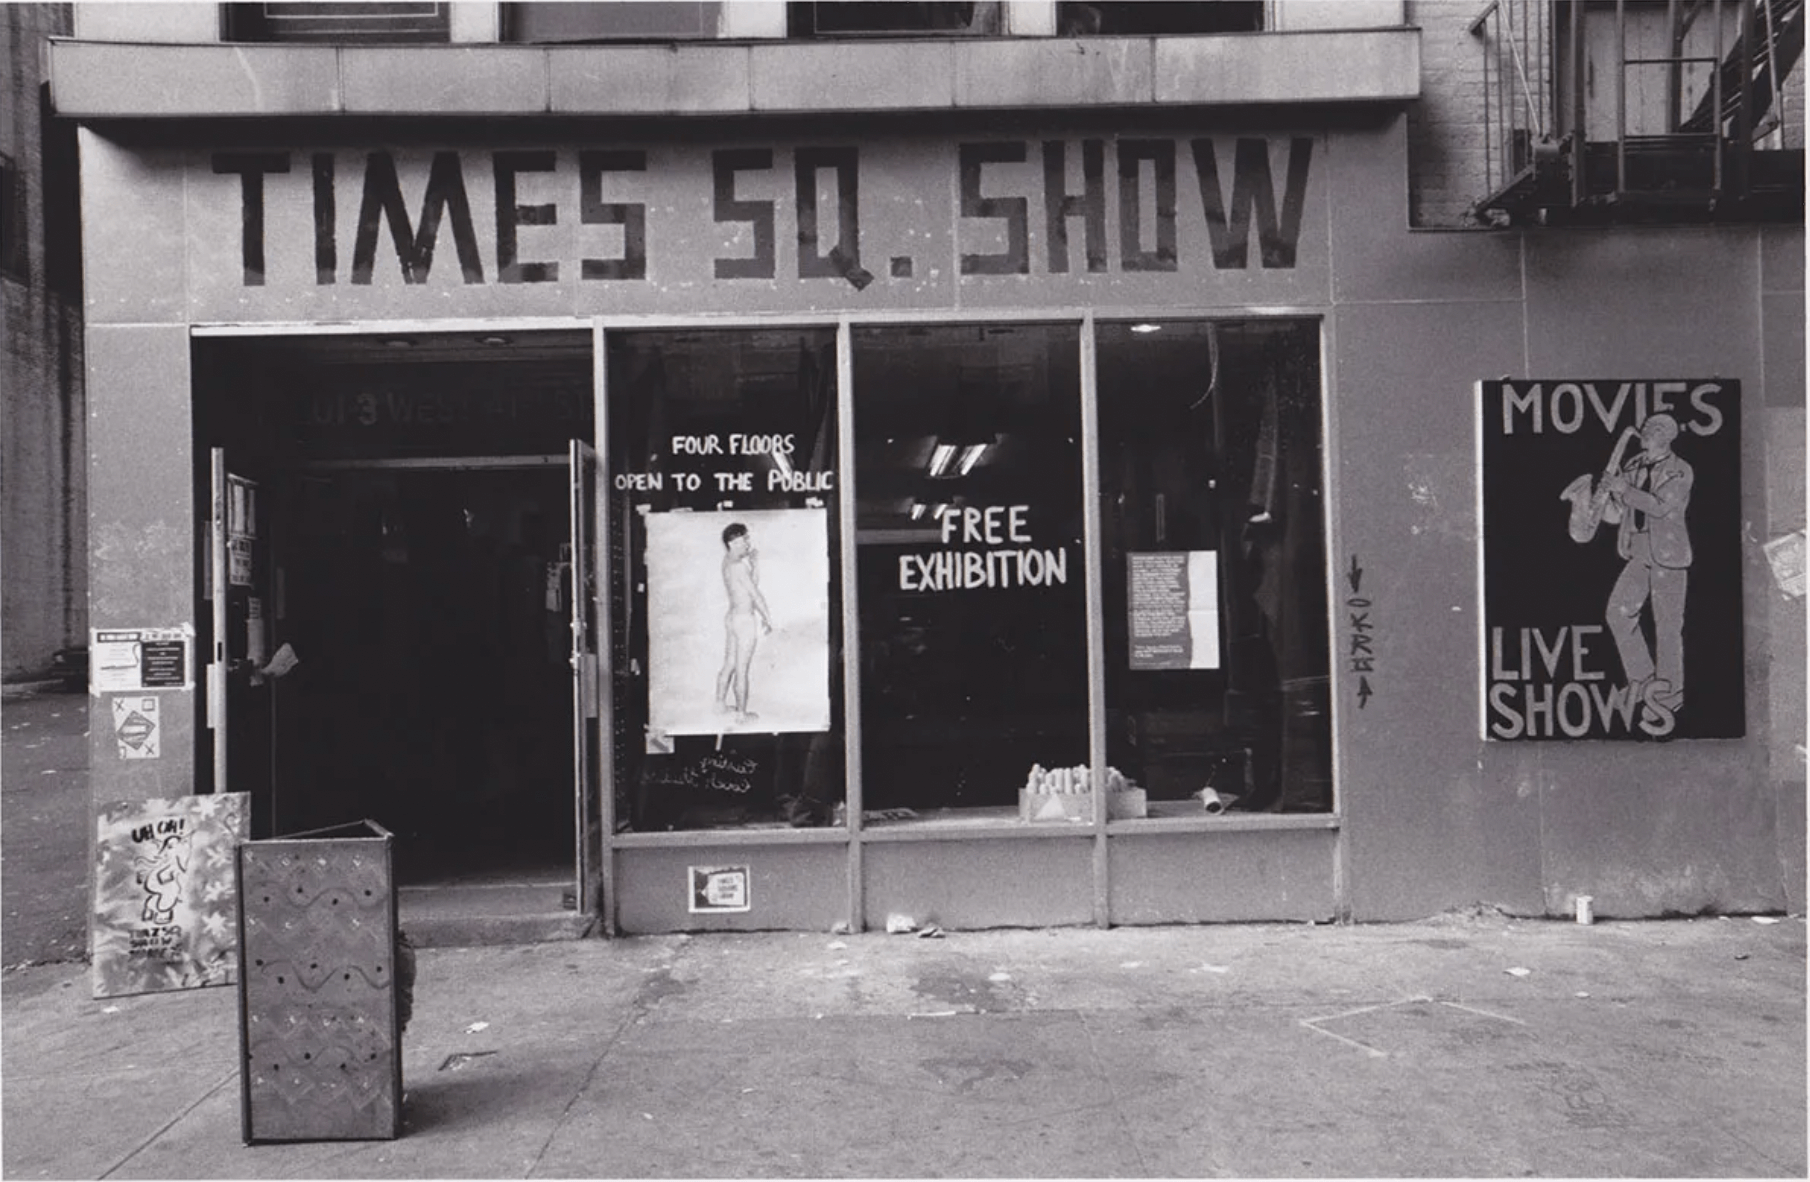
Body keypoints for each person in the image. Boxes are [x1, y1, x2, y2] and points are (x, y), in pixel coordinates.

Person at [1602, 412, 1694, 713]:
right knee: (1618, 613)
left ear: (1667, 436)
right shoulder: (1632, 465)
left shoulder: (1680, 470)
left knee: (1667, 625)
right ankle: (1642, 679)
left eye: (1653, 428)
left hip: (1668, 554)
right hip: (1639, 549)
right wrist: (1599, 503)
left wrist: (1623, 490)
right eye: (1646, 427)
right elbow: (1617, 514)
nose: (1644, 431)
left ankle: (1670, 694)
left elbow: (1659, 507)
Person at [715, 522, 773, 724]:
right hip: (743, 620)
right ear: (733, 542)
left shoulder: (728, 561)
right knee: (741, 669)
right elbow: (755, 595)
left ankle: (720, 705)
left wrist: (755, 565)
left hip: (732, 618)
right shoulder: (738, 566)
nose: (748, 542)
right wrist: (767, 617)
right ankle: (741, 715)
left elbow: (749, 586)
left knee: (729, 663)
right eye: (744, 539)